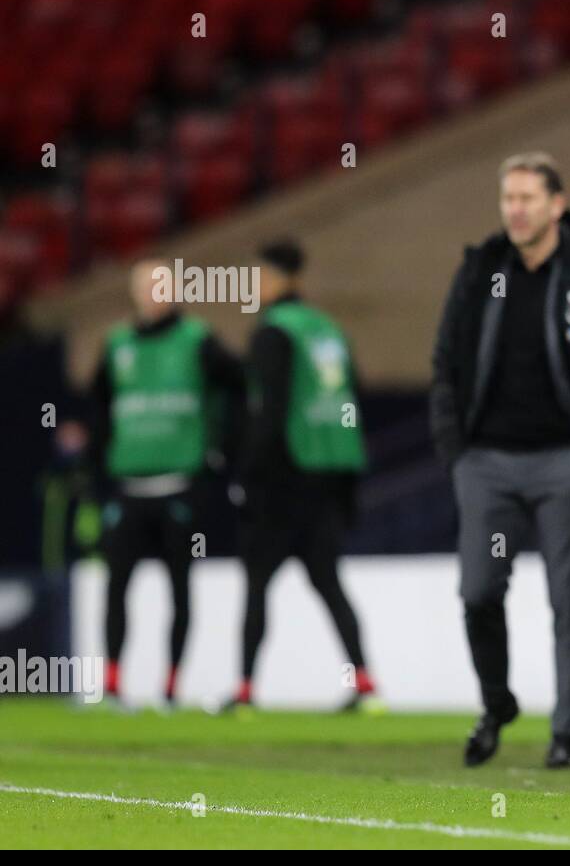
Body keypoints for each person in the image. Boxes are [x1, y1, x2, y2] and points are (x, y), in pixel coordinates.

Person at [431, 152, 570, 768]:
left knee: (568, 600)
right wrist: (455, 451)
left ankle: (566, 732)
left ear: (556, 204)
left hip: (564, 465)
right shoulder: (478, 274)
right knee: (477, 592)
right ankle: (497, 703)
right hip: (486, 463)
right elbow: (444, 366)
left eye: (527, 198)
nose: (515, 210)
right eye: (508, 200)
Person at [230, 240, 378, 712]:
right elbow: (353, 401)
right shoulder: (328, 330)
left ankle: (246, 689)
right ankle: (365, 682)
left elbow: (268, 412)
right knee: (330, 584)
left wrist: (247, 475)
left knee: (256, 584)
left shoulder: (274, 332)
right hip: (330, 477)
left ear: (276, 278)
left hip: (283, 480)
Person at [90, 257, 243, 705]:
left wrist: (220, 453)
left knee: (180, 588)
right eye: (148, 286)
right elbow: (99, 409)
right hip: (130, 489)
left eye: (163, 286)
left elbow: (239, 385)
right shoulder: (117, 345)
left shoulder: (198, 340)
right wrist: (95, 467)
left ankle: (172, 683)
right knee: (116, 588)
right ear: (135, 292)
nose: (156, 294)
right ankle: (114, 681)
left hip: (181, 487)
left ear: (176, 291)